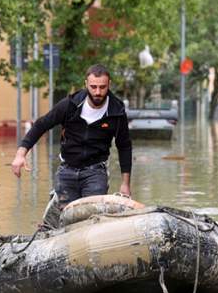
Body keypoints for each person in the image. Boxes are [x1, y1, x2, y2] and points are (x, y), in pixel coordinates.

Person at [11, 64, 132, 223]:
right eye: (93, 87)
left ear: (109, 85)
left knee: (92, 220)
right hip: (67, 171)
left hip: (95, 173)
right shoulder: (70, 105)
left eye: (102, 87)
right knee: (65, 220)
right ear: (85, 84)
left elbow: (124, 146)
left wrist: (125, 184)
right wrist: (20, 154)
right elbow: (41, 125)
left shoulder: (117, 111)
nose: (97, 92)